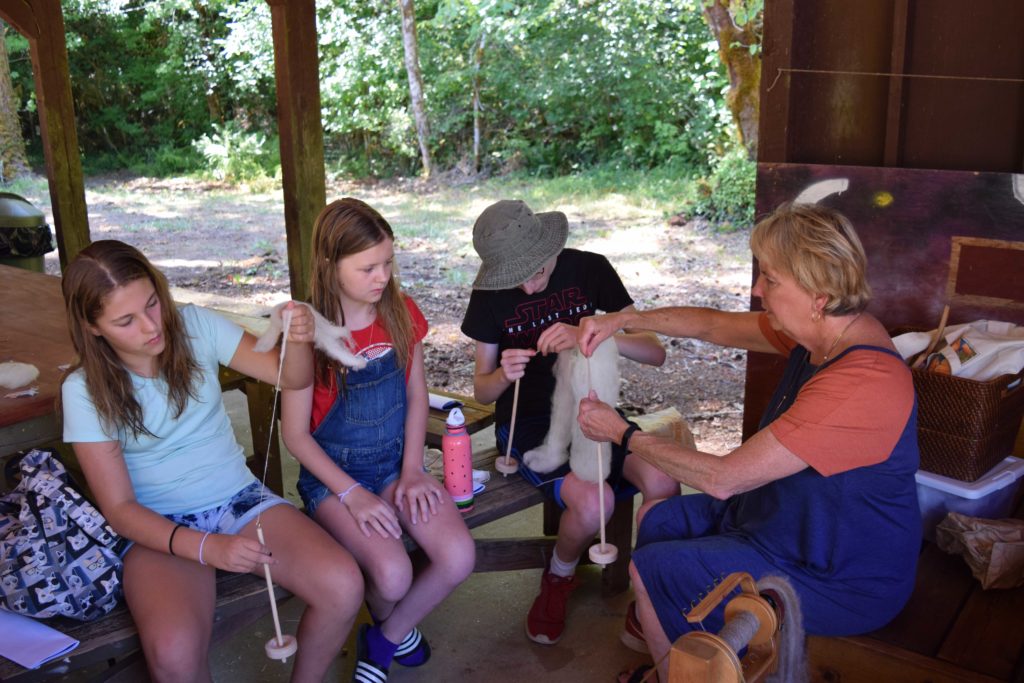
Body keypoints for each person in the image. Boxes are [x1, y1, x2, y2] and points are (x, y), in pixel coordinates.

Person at [575, 202, 921, 683]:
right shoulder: (821, 334)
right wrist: (624, 318)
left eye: (772, 280)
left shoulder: (862, 380)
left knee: (652, 567)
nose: (758, 290)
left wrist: (622, 433)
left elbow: (724, 479)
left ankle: (679, 672)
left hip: (836, 575)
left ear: (818, 294)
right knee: (660, 519)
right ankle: (683, 649)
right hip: (782, 522)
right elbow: (713, 325)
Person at [60, 240, 363, 683]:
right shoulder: (84, 390)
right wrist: (207, 547)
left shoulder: (195, 325)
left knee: (343, 585)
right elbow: (121, 510)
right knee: (173, 654)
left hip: (239, 501)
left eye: (152, 304)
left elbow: (292, 376)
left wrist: (297, 337)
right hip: (156, 525)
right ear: (93, 327)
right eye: (126, 320)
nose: (150, 327)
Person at [460, 199, 681, 645]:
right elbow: (482, 390)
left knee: (663, 479)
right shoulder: (489, 295)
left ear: (551, 249)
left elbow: (654, 352)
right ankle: (559, 576)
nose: (526, 287)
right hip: (527, 422)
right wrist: (504, 373)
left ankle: (651, 594)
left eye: (536, 273)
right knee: (594, 501)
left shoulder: (590, 270)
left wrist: (589, 331)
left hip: (594, 406)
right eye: (513, 279)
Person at [280, 198, 475, 682]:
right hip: (335, 481)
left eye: (388, 262)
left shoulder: (401, 312)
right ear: (329, 265)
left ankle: (384, 639)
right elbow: (295, 437)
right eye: (367, 267)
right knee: (392, 576)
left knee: (459, 556)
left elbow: (415, 395)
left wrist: (412, 470)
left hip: (395, 464)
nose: (382, 276)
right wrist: (353, 495)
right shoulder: (308, 335)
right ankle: (392, 622)